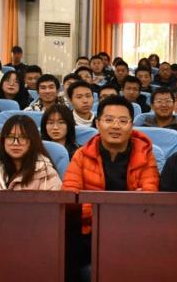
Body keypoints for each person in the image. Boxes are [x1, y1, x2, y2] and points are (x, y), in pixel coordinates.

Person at [63, 95, 160, 232]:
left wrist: (94, 205)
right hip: (90, 229)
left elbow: (148, 202)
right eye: (109, 120)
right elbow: (70, 201)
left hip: (133, 229)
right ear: (97, 124)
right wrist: (124, 205)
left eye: (123, 121)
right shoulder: (82, 155)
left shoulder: (145, 155)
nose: (115, 126)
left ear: (131, 126)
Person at [0, 116, 63, 191]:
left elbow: (52, 205)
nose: (15, 143)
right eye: (10, 137)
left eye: (23, 137)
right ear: (3, 141)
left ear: (33, 141)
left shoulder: (46, 172)